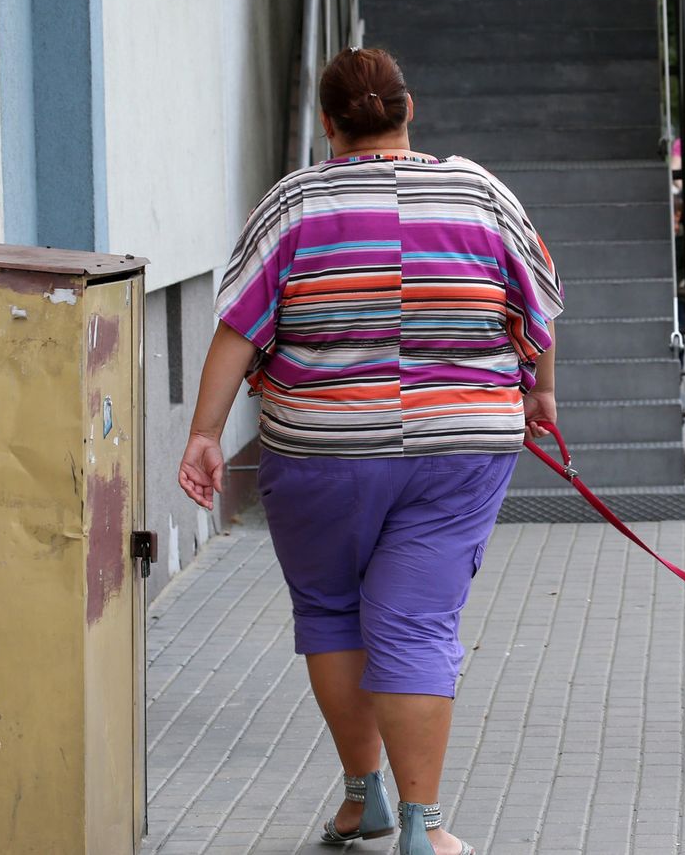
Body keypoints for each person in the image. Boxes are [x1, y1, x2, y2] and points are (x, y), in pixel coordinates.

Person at [177, 47, 563, 855]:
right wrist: (539, 396)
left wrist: (206, 433)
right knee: (418, 624)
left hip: (321, 450)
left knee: (331, 613)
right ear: (407, 108)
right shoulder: (479, 194)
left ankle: (365, 797)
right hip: (459, 447)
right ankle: (425, 827)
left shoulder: (293, 204)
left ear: (329, 123)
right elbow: (537, 308)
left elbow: (239, 329)